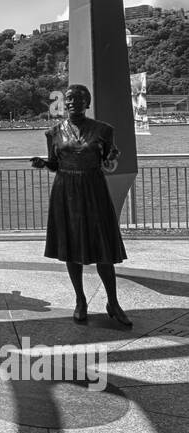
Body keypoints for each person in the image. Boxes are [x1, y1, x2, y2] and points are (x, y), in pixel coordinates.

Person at [31, 83, 131, 327]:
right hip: (65, 190)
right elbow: (55, 163)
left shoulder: (104, 130)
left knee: (102, 247)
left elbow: (109, 159)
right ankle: (80, 300)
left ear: (88, 103)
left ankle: (113, 301)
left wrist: (113, 157)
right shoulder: (54, 132)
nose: (73, 102)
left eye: (78, 98)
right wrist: (44, 164)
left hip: (94, 188)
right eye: (69, 99)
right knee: (71, 245)